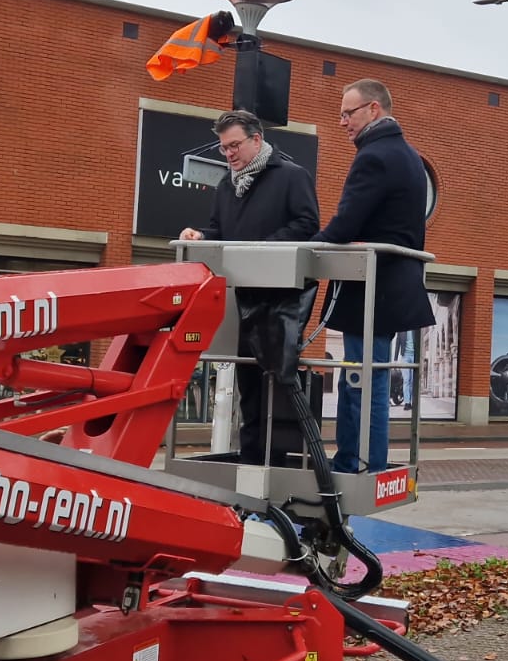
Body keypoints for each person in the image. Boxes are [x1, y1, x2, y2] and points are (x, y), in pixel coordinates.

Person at [181, 109, 320, 465]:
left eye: (234, 145)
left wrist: (261, 248)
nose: (228, 154)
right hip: (244, 297)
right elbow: (220, 230)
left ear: (257, 140)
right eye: (223, 148)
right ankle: (252, 457)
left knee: (275, 382)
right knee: (248, 383)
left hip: (282, 299)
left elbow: (308, 224)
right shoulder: (227, 185)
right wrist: (200, 236)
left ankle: (275, 460)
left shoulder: (292, 176)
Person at [313, 79, 435, 474]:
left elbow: (344, 225)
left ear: (373, 110)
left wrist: (305, 249)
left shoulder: (374, 156)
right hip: (392, 288)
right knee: (369, 379)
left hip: (371, 290)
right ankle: (363, 461)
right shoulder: (410, 156)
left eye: (348, 113)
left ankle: (358, 464)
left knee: (362, 382)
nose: (343, 121)